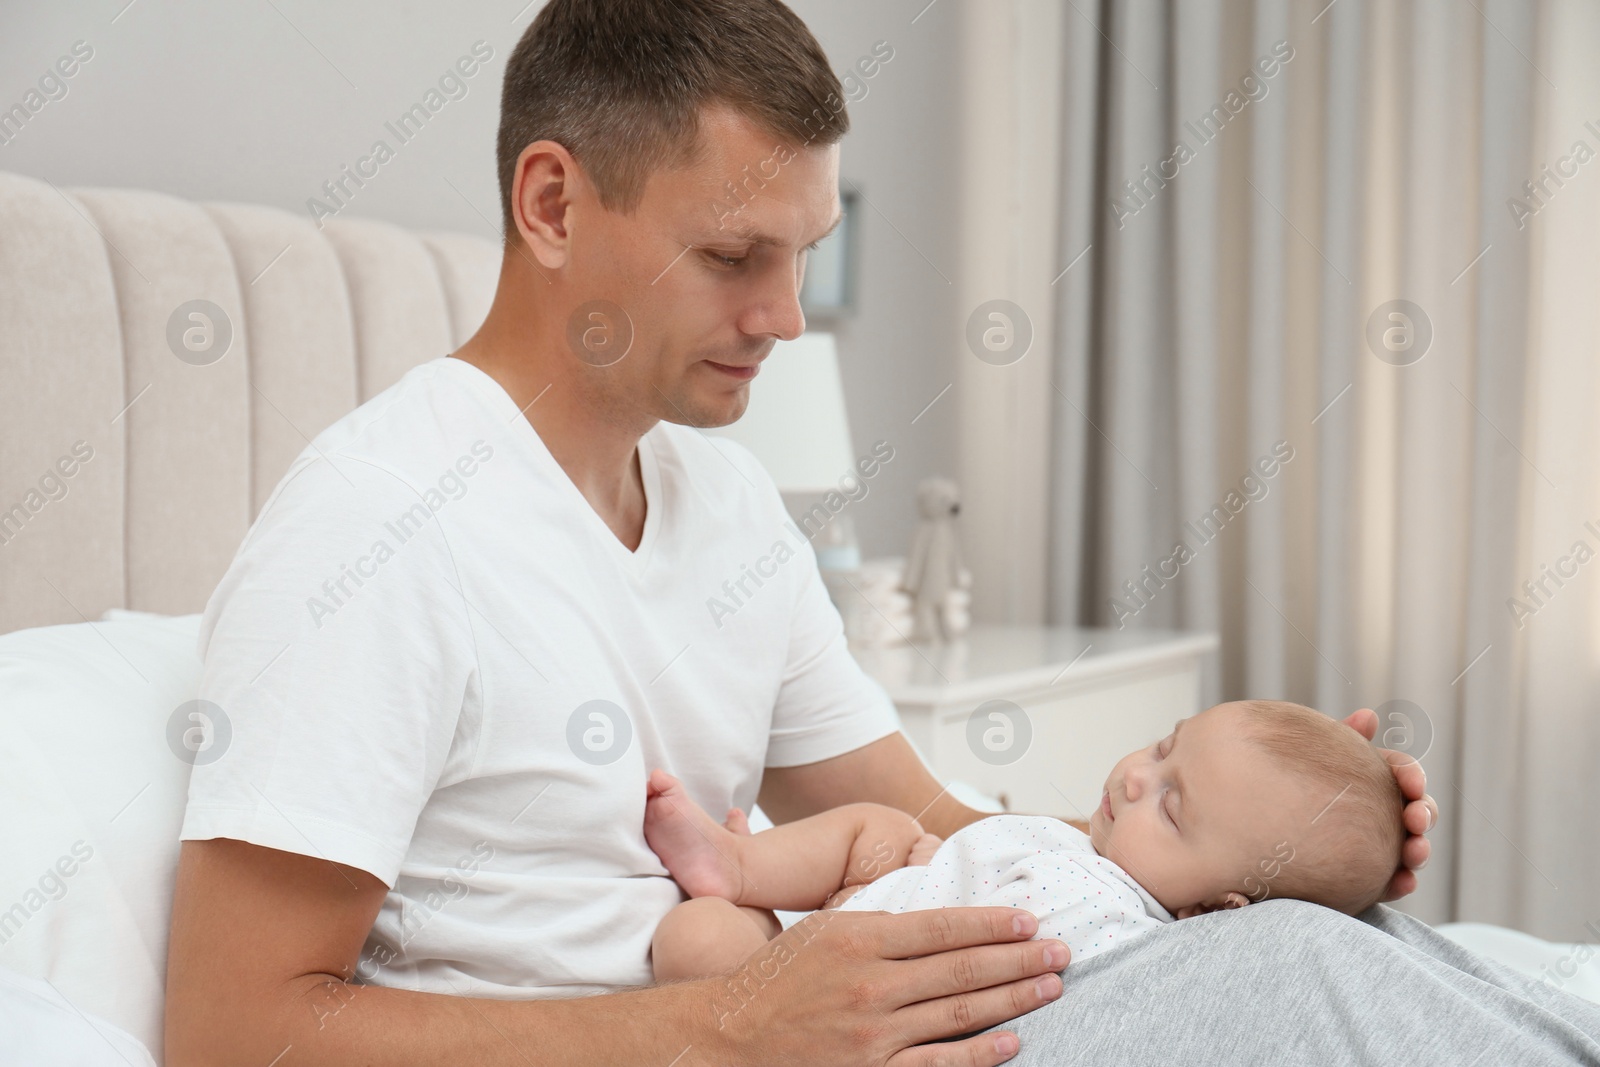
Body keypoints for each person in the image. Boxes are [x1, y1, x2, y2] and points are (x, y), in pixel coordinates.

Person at [161, 2, 1437, 1064]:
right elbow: (233, 1023)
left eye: (804, 257)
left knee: (1350, 958)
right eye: (731, 254)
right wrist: (724, 1024)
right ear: (551, 203)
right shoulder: (378, 524)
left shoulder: (724, 506)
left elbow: (939, 835)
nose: (783, 317)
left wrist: (1265, 833)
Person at [643, 700, 1405, 981]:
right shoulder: (1101, 855)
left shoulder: (1106, 931)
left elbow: (964, 967)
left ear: (1215, 908)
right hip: (881, 894)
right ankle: (738, 863)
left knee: (695, 940)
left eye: (1174, 807)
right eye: (1164, 746)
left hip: (824, 975)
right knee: (881, 823)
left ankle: (741, 888)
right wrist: (921, 863)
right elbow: (975, 856)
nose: (1138, 778)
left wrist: (859, 911)